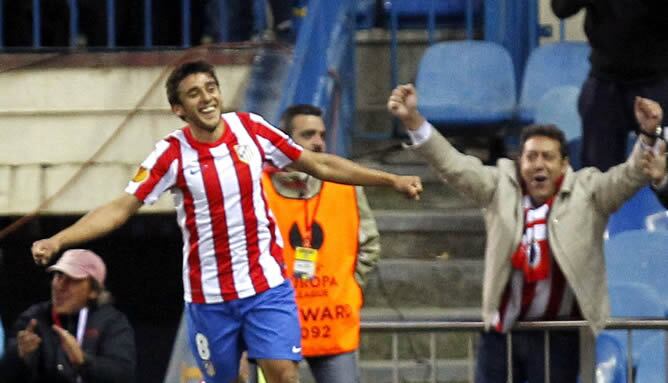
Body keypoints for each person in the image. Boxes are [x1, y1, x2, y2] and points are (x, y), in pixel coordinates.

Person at [31, 60, 422, 383]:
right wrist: (59, 240)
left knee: (284, 375)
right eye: (194, 93)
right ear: (179, 109)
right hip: (210, 297)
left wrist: (390, 179)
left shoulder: (250, 129)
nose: (207, 98)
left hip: (267, 284)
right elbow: (120, 207)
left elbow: (318, 162)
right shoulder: (170, 155)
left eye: (211, 87)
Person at [387, 83, 664, 382]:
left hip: (559, 337)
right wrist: (412, 119)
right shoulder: (499, 186)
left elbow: (629, 176)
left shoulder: (589, 191)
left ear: (564, 164)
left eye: (548, 157)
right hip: (501, 334)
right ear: (520, 162)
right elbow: (453, 165)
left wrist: (648, 135)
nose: (538, 165)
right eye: (531, 157)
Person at [256, 104, 380, 382]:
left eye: (321, 135)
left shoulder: (345, 184)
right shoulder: (257, 188)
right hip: (276, 328)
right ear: (285, 141)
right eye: (308, 134)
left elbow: (369, 244)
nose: (318, 142)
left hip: (332, 324)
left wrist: (352, 288)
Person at [550, 0, 668, 172]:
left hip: (657, 80)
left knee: (663, 172)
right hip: (604, 84)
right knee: (597, 177)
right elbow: (561, 8)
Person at [0, 249, 136, 383]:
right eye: (58, 276)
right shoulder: (33, 319)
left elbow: (123, 374)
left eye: (72, 279)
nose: (60, 286)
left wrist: (83, 361)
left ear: (93, 291)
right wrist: (19, 356)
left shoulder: (112, 323)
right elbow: (6, 374)